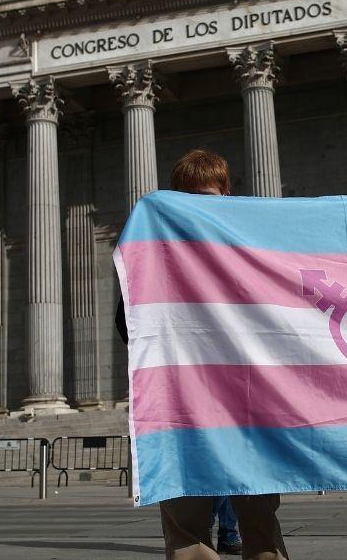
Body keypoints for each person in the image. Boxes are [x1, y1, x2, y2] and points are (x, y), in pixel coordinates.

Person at [116, 149, 289, 560]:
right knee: (186, 521)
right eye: (189, 196)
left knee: (260, 518)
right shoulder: (149, 250)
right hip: (184, 402)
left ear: (226, 193)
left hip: (248, 402)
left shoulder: (252, 245)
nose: (199, 205)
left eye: (207, 195)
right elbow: (131, 322)